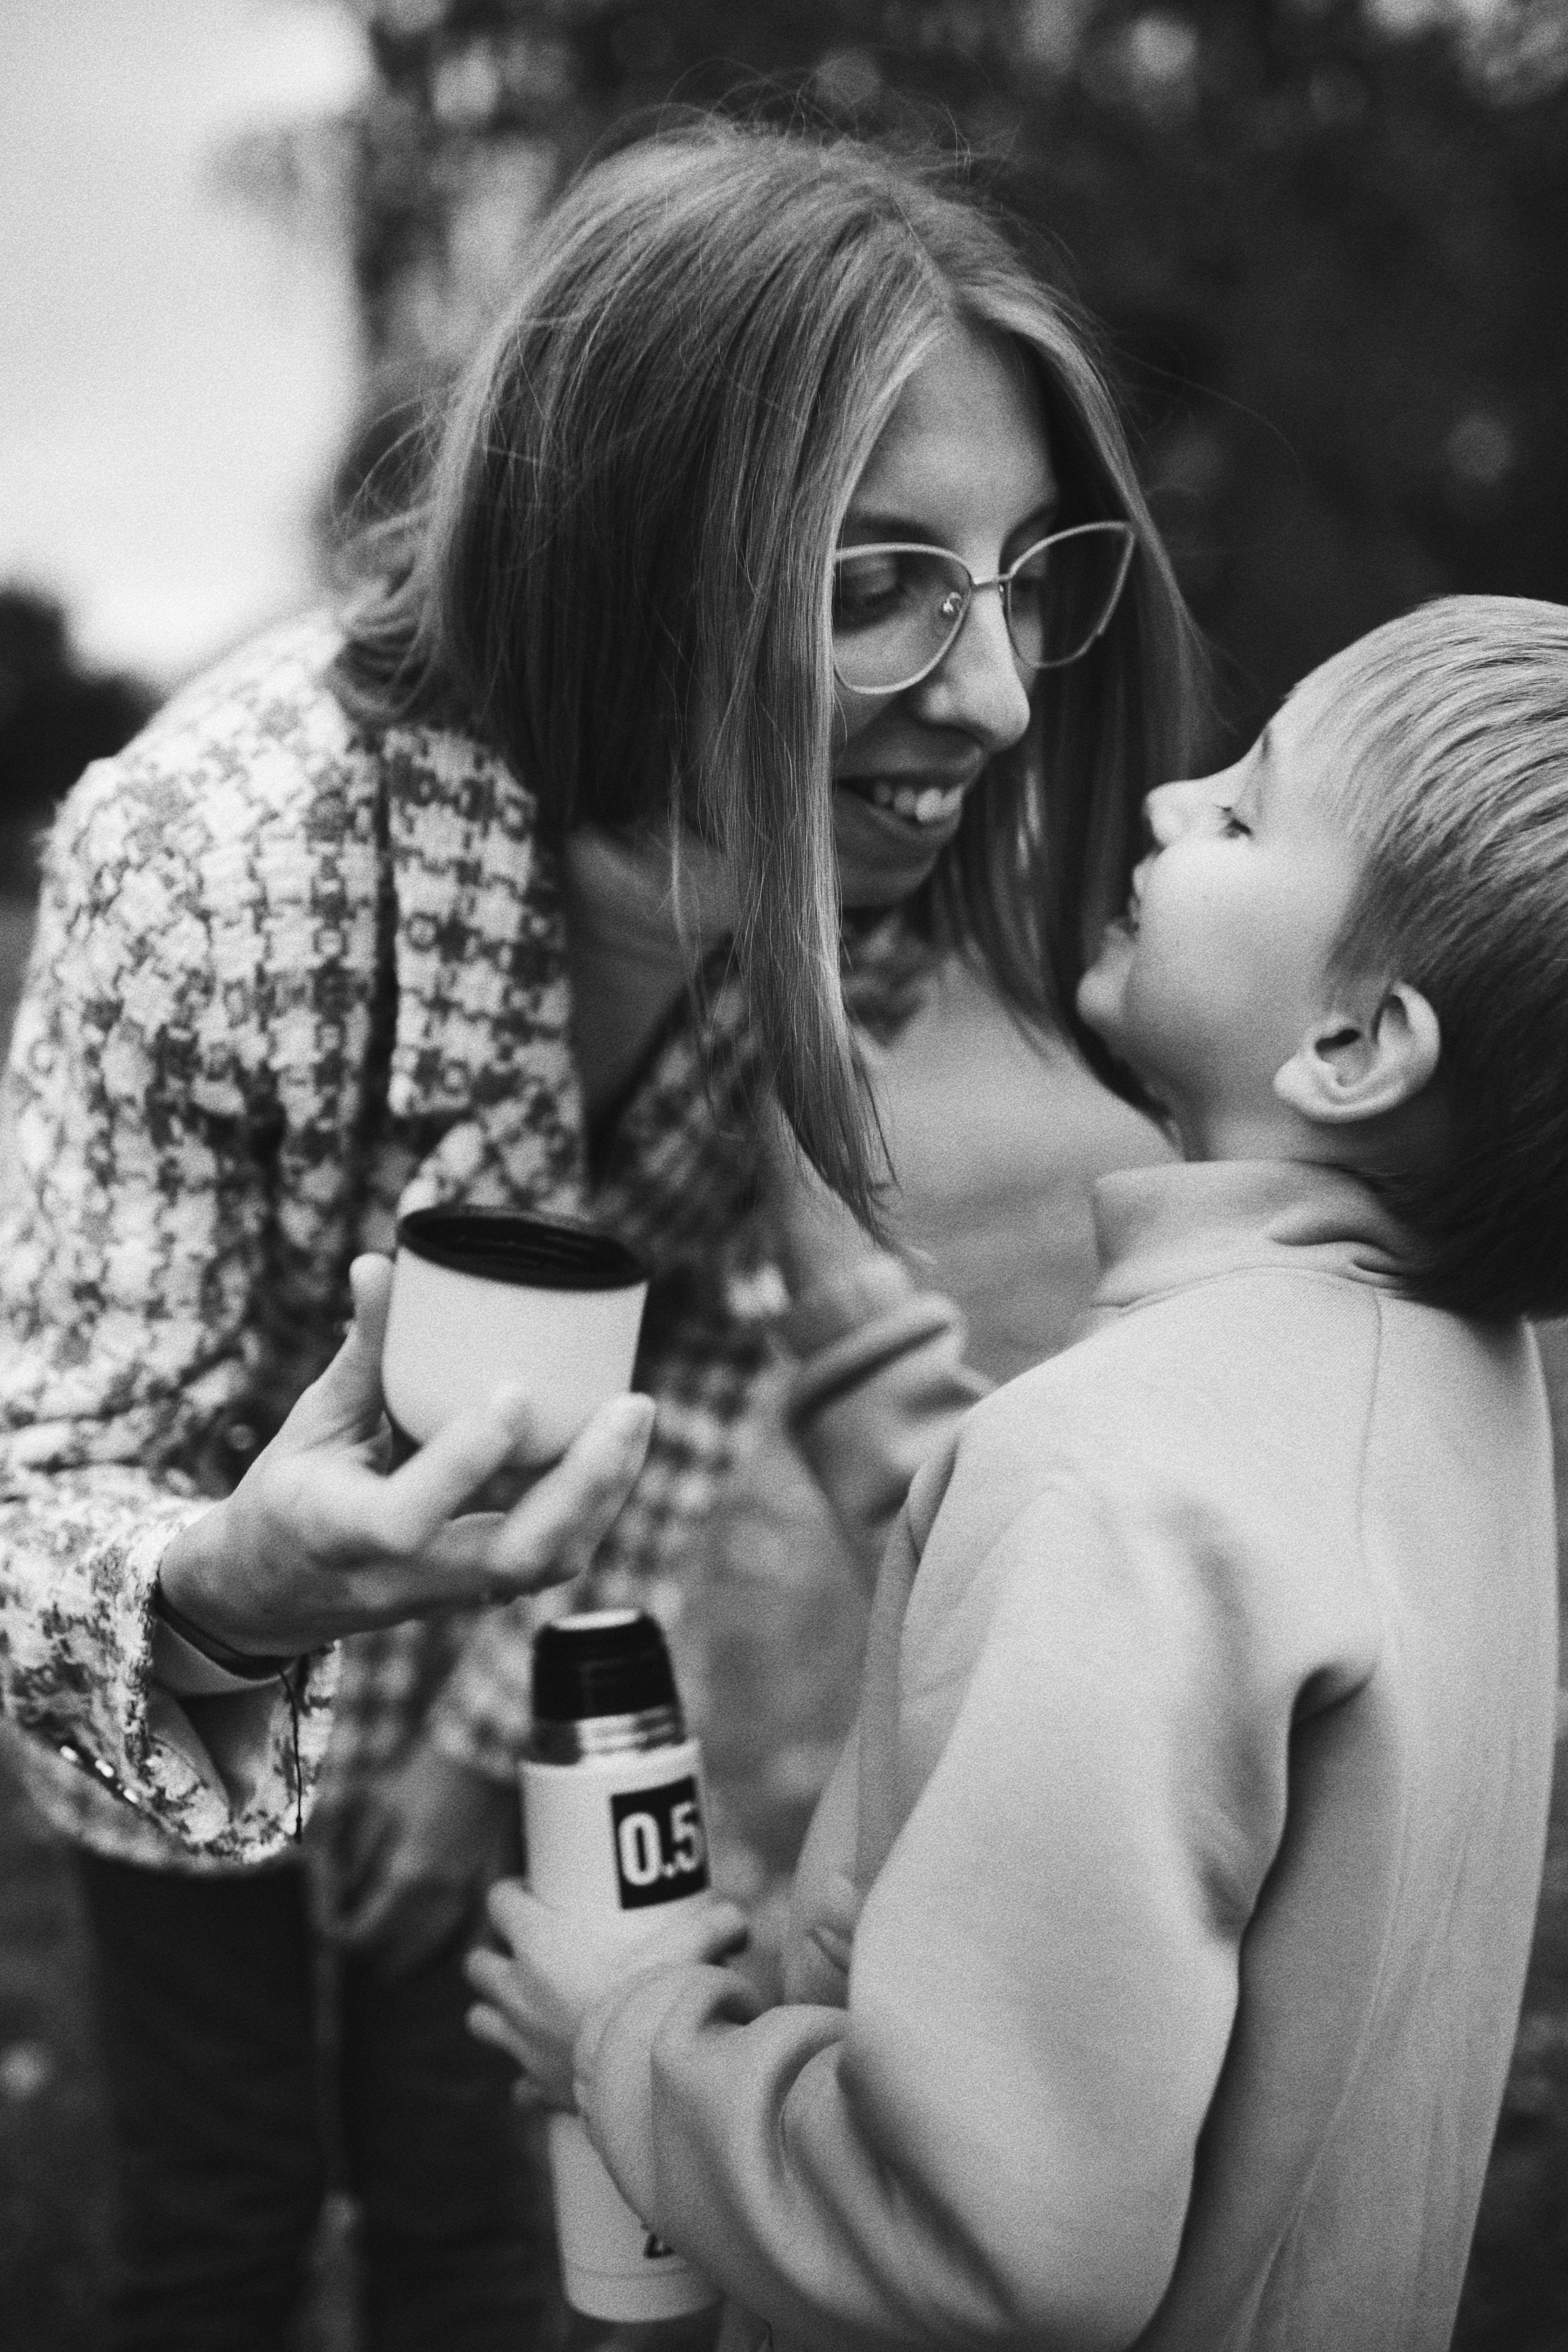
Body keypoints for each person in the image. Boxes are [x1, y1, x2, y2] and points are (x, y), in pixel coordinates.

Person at [0, 116, 1198, 2352]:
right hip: (196, 1712)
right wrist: (242, 1598)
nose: (1004, 695)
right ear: (632, 557)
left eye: (1027, 576)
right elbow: (35, 1504)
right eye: (876, 582)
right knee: (222, 2220)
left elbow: (718, 1307)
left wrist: (480, 1724)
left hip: (529, 1685)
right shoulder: (207, 864)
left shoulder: (856, 852)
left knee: (490, 2215)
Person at [469, 594, 1567, 2352]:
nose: (1164, 801)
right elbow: (1156, 1645)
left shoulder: (1114, 1486)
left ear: (1355, 1047)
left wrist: (634, 2036)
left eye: (1246, 811)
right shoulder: (1456, 1389)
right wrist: (854, 1341)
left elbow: (983, 2257)